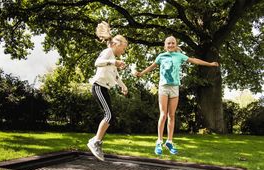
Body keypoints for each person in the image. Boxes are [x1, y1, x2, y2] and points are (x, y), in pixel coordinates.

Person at [134, 36, 219, 156]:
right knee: (163, 115)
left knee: (172, 115)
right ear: (165, 45)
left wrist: (209, 64)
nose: (170, 45)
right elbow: (152, 66)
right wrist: (141, 73)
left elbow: (194, 60)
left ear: (175, 44)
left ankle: (169, 141)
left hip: (174, 88)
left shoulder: (179, 56)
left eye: (173, 43)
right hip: (163, 87)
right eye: (168, 43)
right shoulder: (161, 56)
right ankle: (159, 141)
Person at [87, 21, 128, 161]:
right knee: (109, 115)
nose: (123, 51)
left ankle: (96, 141)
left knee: (110, 116)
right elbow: (97, 63)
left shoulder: (113, 57)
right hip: (98, 86)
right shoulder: (108, 52)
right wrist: (113, 62)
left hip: (104, 88)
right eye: (123, 48)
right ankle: (95, 142)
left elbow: (116, 76)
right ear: (117, 44)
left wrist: (123, 85)